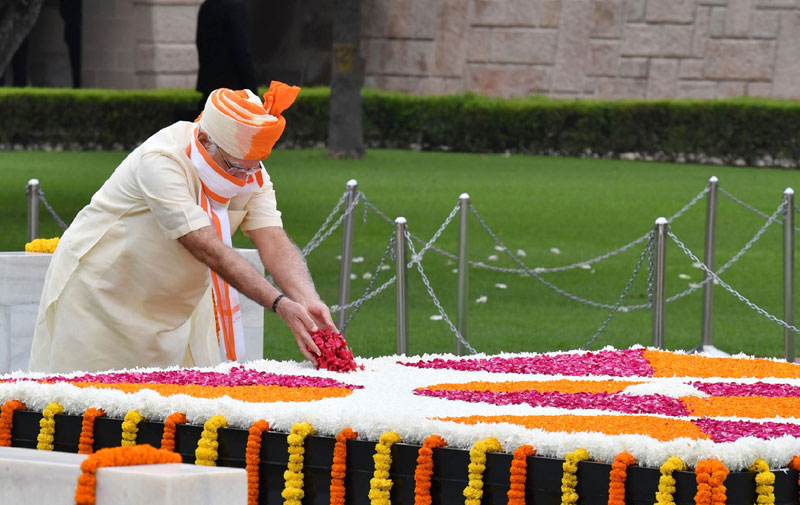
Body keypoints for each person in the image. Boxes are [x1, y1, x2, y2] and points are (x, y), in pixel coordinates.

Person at [28, 82, 333, 373]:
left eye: (252, 167)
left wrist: (306, 299)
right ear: (204, 141)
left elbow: (273, 239)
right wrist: (279, 304)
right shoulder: (161, 159)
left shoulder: (248, 165)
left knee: (174, 413)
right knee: (96, 411)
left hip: (171, 305)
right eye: (235, 167)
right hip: (103, 297)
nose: (244, 178)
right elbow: (206, 246)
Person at [195, 0, 258, 108]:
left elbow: (201, 43)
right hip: (234, 91)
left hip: (210, 89)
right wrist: (252, 90)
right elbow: (241, 51)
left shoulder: (207, 6)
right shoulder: (235, 8)